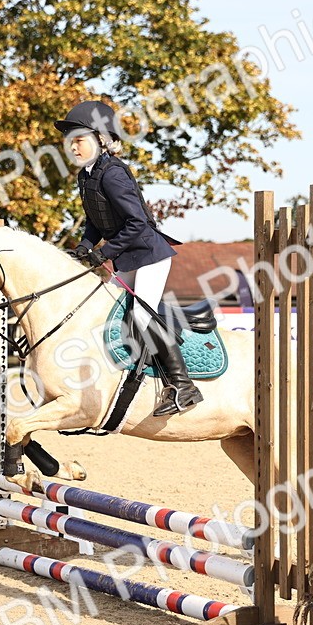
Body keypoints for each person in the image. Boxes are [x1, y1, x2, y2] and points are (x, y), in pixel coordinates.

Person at [54, 100, 202, 417]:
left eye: (79, 139)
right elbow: (96, 220)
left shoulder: (113, 174)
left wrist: (103, 253)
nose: (73, 147)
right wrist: (84, 246)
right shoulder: (86, 176)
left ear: (101, 140)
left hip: (149, 255)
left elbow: (138, 224)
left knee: (142, 317)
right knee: (106, 310)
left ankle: (183, 386)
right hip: (127, 257)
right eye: (71, 141)